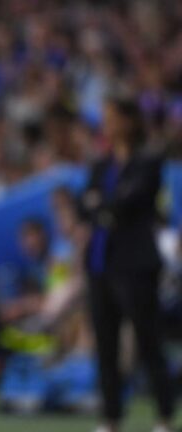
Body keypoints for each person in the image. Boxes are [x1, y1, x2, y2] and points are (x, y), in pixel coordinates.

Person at [80, 95, 175, 432]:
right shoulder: (101, 165)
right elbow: (86, 205)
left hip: (135, 264)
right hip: (100, 263)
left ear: (130, 121)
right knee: (105, 347)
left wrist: (102, 206)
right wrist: (104, 206)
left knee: (149, 342)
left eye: (112, 117)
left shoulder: (148, 161)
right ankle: (111, 418)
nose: (106, 124)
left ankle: (164, 416)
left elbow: (129, 201)